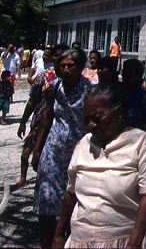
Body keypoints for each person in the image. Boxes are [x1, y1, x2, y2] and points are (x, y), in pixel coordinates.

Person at [53, 82, 146, 248]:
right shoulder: (84, 144)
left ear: (118, 112)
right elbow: (71, 192)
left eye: (97, 118)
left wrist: (134, 242)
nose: (91, 126)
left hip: (123, 240)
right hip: (81, 240)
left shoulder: (142, 143)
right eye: (87, 119)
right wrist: (59, 235)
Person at [32, 47, 92, 249]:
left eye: (71, 66)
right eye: (63, 65)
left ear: (81, 67)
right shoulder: (55, 86)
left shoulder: (89, 90)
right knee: (46, 201)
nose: (65, 69)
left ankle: (65, 240)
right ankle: (46, 242)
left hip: (79, 152)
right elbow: (47, 117)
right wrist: (37, 148)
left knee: (73, 200)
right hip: (53, 151)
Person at [16, 46, 61, 189]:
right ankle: (23, 178)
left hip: (57, 125)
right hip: (39, 120)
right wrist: (23, 122)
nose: (58, 59)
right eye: (55, 56)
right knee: (27, 152)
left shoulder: (73, 80)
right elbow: (32, 101)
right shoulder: (45, 76)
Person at [122, 59, 146, 133]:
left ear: (138, 75)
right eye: (124, 72)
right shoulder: (117, 92)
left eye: (129, 73)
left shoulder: (145, 97)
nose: (124, 75)